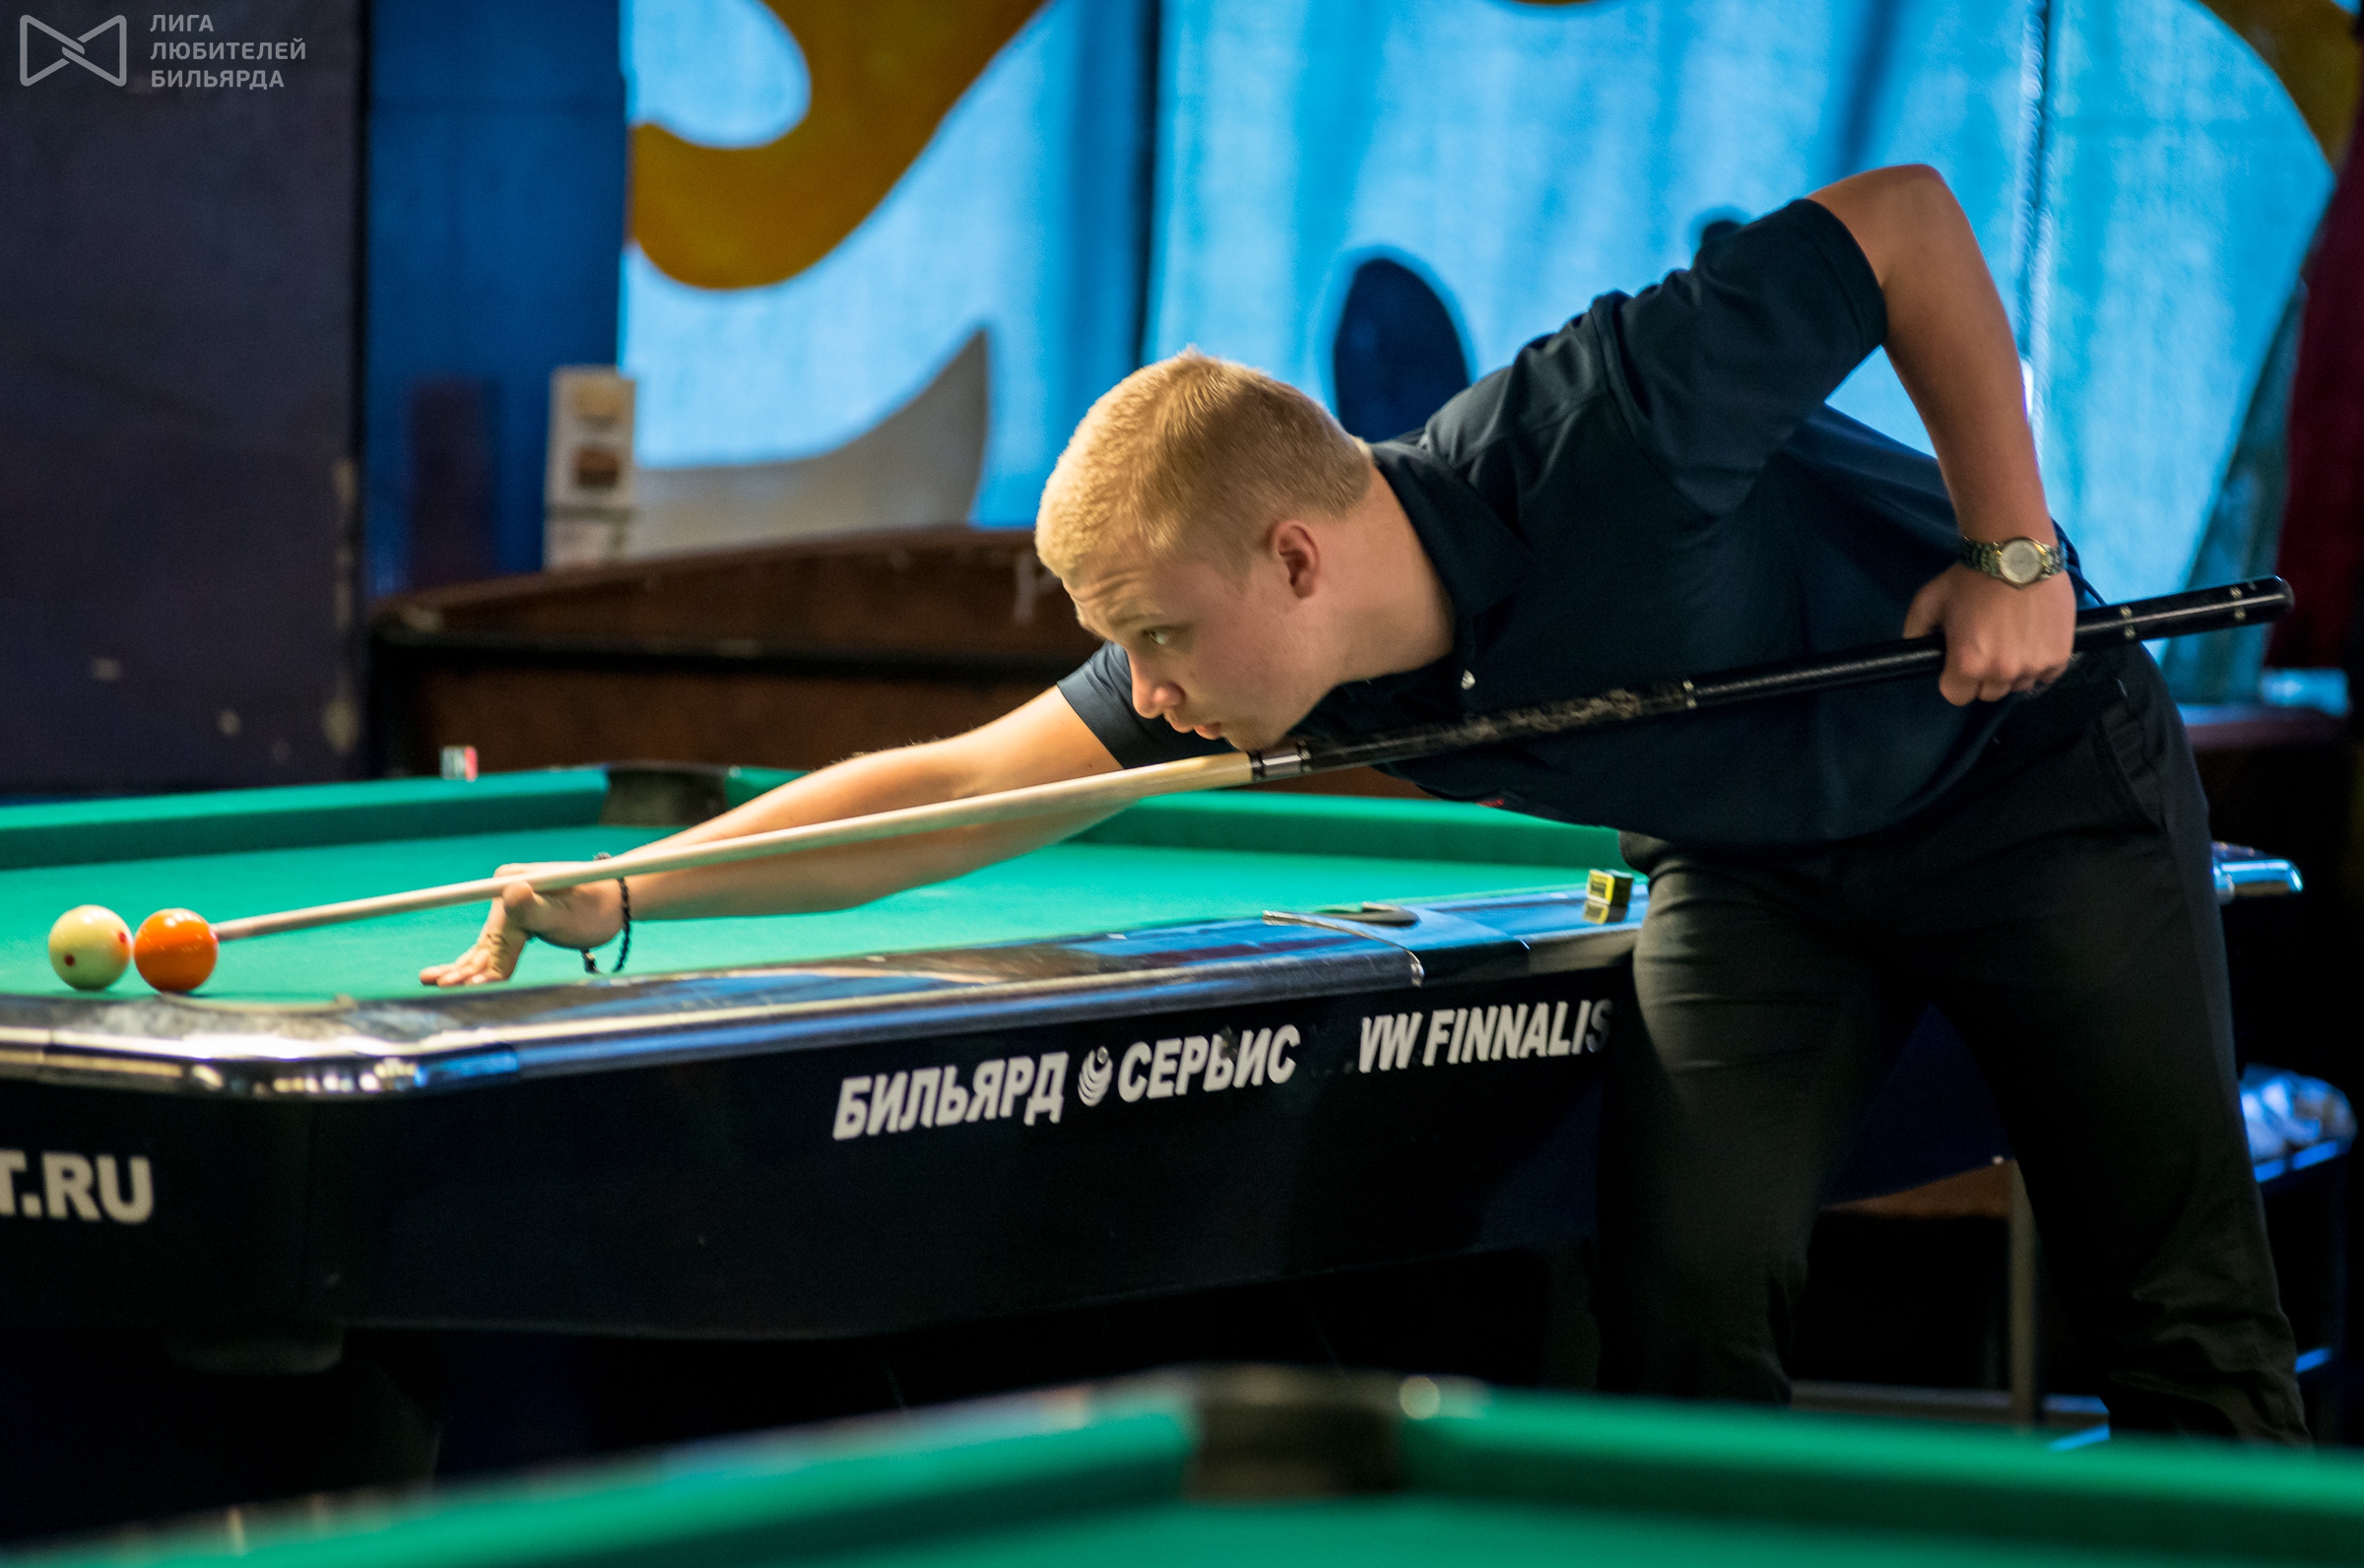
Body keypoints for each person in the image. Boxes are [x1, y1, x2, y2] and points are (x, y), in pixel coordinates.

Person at [425, 164, 2305, 1442]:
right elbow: (955, 791)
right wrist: (635, 888)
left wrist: (2012, 547)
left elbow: (1904, 225)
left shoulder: (1608, 428)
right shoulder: (1273, 653)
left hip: (2030, 783)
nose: (1147, 688)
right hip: (1758, 868)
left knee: (2179, 1312)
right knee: (1678, 1304)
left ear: (1297, 556)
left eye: (1159, 637)